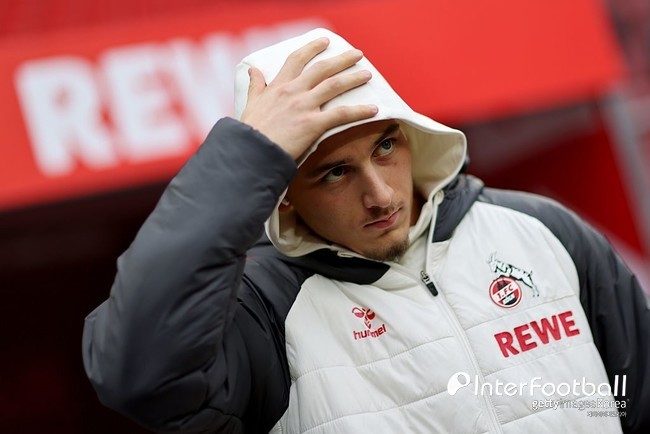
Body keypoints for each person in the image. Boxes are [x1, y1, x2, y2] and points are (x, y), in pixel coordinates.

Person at [82, 28, 650, 433]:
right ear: (284, 193)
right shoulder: (261, 309)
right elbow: (138, 376)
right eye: (335, 173)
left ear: (412, 136)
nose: (380, 194)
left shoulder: (540, 229)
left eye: (385, 147)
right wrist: (247, 153)